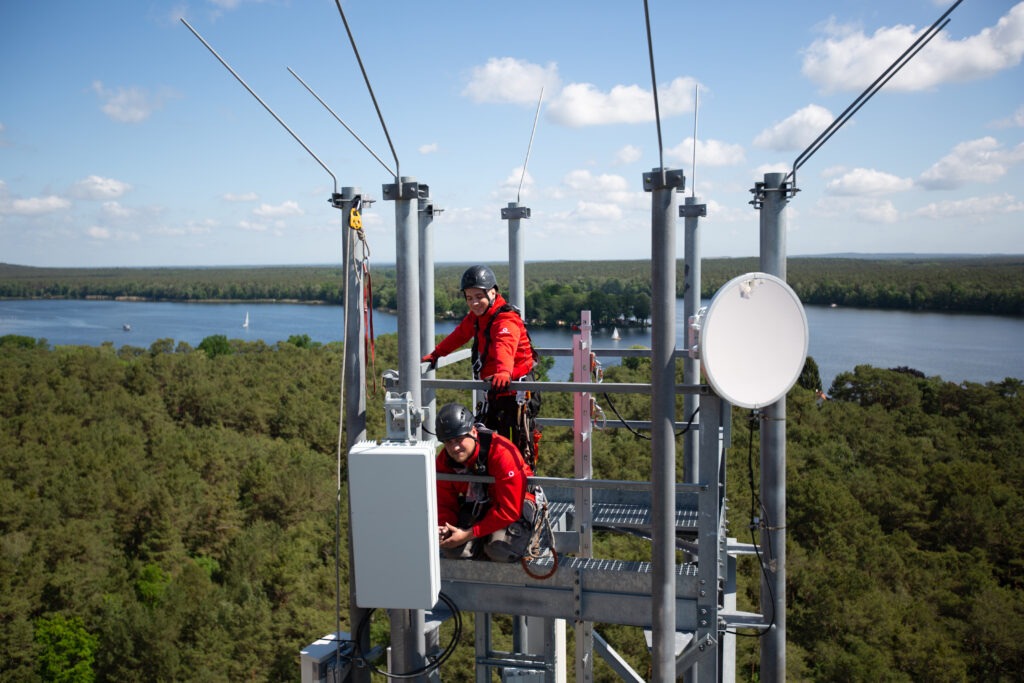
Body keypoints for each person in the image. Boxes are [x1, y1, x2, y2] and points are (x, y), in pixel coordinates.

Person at [422, 265, 541, 467]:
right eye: (469, 298)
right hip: (497, 390)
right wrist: (437, 354)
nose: (474, 302)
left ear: (493, 292)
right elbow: (460, 334)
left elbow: (505, 345)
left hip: (514, 394)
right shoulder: (480, 317)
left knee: (514, 450)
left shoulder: (505, 319)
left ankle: (524, 492)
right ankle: (490, 490)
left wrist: (503, 371)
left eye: (479, 296)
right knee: (489, 444)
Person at [434, 402, 538, 562]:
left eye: (459, 439)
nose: (454, 448)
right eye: (448, 442)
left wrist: (468, 534)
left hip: (515, 504)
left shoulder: (501, 453)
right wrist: (444, 528)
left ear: (474, 432)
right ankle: (484, 542)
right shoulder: (445, 462)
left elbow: (510, 510)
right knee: (453, 550)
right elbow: (444, 503)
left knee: (499, 550)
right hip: (481, 503)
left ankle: (528, 531)